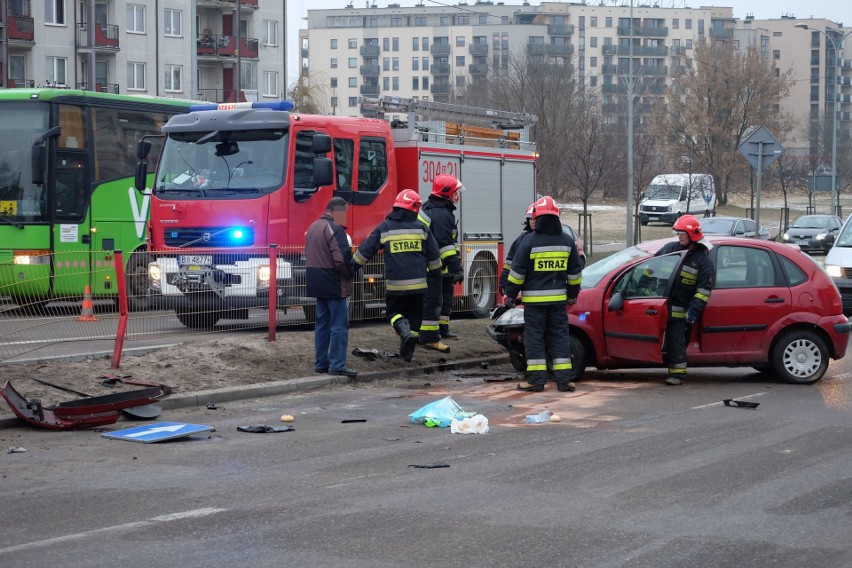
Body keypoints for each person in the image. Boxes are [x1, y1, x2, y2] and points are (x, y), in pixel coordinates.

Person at [505, 196, 583, 393]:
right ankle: (564, 380)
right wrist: (572, 294)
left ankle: (536, 381)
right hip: (558, 302)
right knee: (559, 337)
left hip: (534, 304)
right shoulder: (567, 241)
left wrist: (510, 295)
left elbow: (517, 273)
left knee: (535, 339)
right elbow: (575, 273)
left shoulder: (529, 241)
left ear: (537, 218)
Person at [354, 189, 443, 362]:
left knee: (393, 314)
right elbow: (434, 258)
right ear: (413, 207)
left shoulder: (385, 227)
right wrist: (436, 276)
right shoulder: (422, 228)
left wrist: (351, 268)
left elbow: (364, 252)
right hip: (419, 286)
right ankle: (408, 350)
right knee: (415, 318)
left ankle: (405, 334)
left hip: (396, 286)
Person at [653, 214, 714, 386]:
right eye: (678, 233)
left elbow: (703, 291)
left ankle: (677, 373)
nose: (679, 236)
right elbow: (652, 268)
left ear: (693, 235)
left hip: (682, 309)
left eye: (682, 233)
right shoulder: (670, 249)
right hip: (660, 304)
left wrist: (693, 311)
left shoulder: (702, 261)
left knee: (676, 340)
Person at [305, 197, 357, 378]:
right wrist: (351, 273)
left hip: (316, 282)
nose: (345, 216)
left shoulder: (313, 227)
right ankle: (337, 364)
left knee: (322, 325)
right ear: (339, 210)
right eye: (345, 212)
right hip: (334, 283)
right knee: (339, 326)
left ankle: (321, 363)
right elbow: (342, 258)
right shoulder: (335, 229)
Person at [419, 174, 464, 341]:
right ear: (446, 193)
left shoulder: (436, 209)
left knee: (445, 298)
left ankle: (443, 329)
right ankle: (430, 335)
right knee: (434, 301)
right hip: (433, 267)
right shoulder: (441, 214)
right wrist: (456, 268)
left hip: (438, 265)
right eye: (455, 192)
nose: (456, 196)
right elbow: (444, 244)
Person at [499, 203, 535, 298]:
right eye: (530, 218)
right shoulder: (522, 239)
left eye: (535, 218)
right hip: (523, 289)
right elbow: (510, 263)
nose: (533, 222)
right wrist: (504, 282)